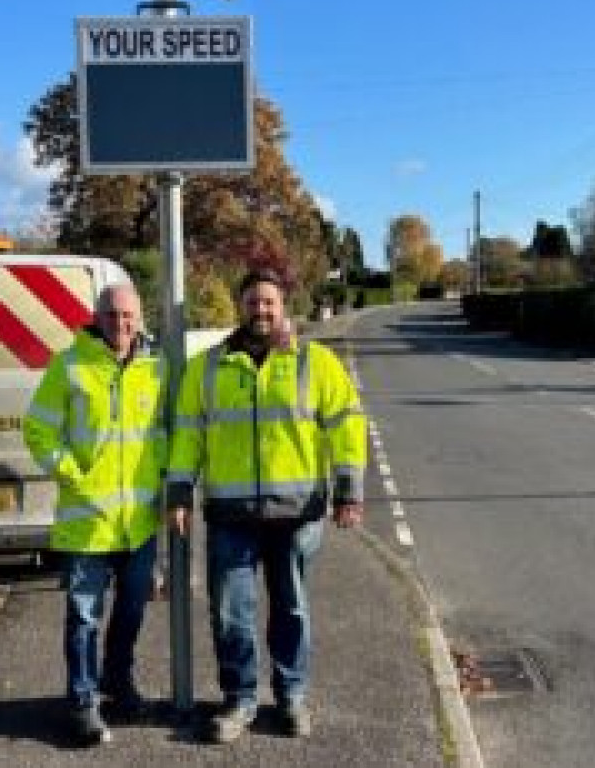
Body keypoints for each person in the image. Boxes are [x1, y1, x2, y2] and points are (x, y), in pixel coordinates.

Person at [166, 269, 367, 743]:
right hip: (230, 516)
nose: (261, 310)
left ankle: (292, 697)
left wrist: (349, 492)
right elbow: (188, 434)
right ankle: (240, 701)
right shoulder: (208, 366)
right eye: (253, 302)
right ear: (241, 306)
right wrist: (179, 493)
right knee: (231, 612)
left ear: (284, 307)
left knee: (291, 609)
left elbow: (347, 427)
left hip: (296, 514)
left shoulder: (314, 362)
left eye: (269, 303)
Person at [23, 283, 166, 745]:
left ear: (140, 318)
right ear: (96, 316)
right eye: (110, 315)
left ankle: (119, 686)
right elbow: (38, 431)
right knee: (84, 618)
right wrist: (71, 472)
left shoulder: (157, 369)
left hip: (139, 525)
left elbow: (166, 433)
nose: (120, 324)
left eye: (128, 316)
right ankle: (83, 702)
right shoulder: (68, 366)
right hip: (88, 523)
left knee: (130, 616)